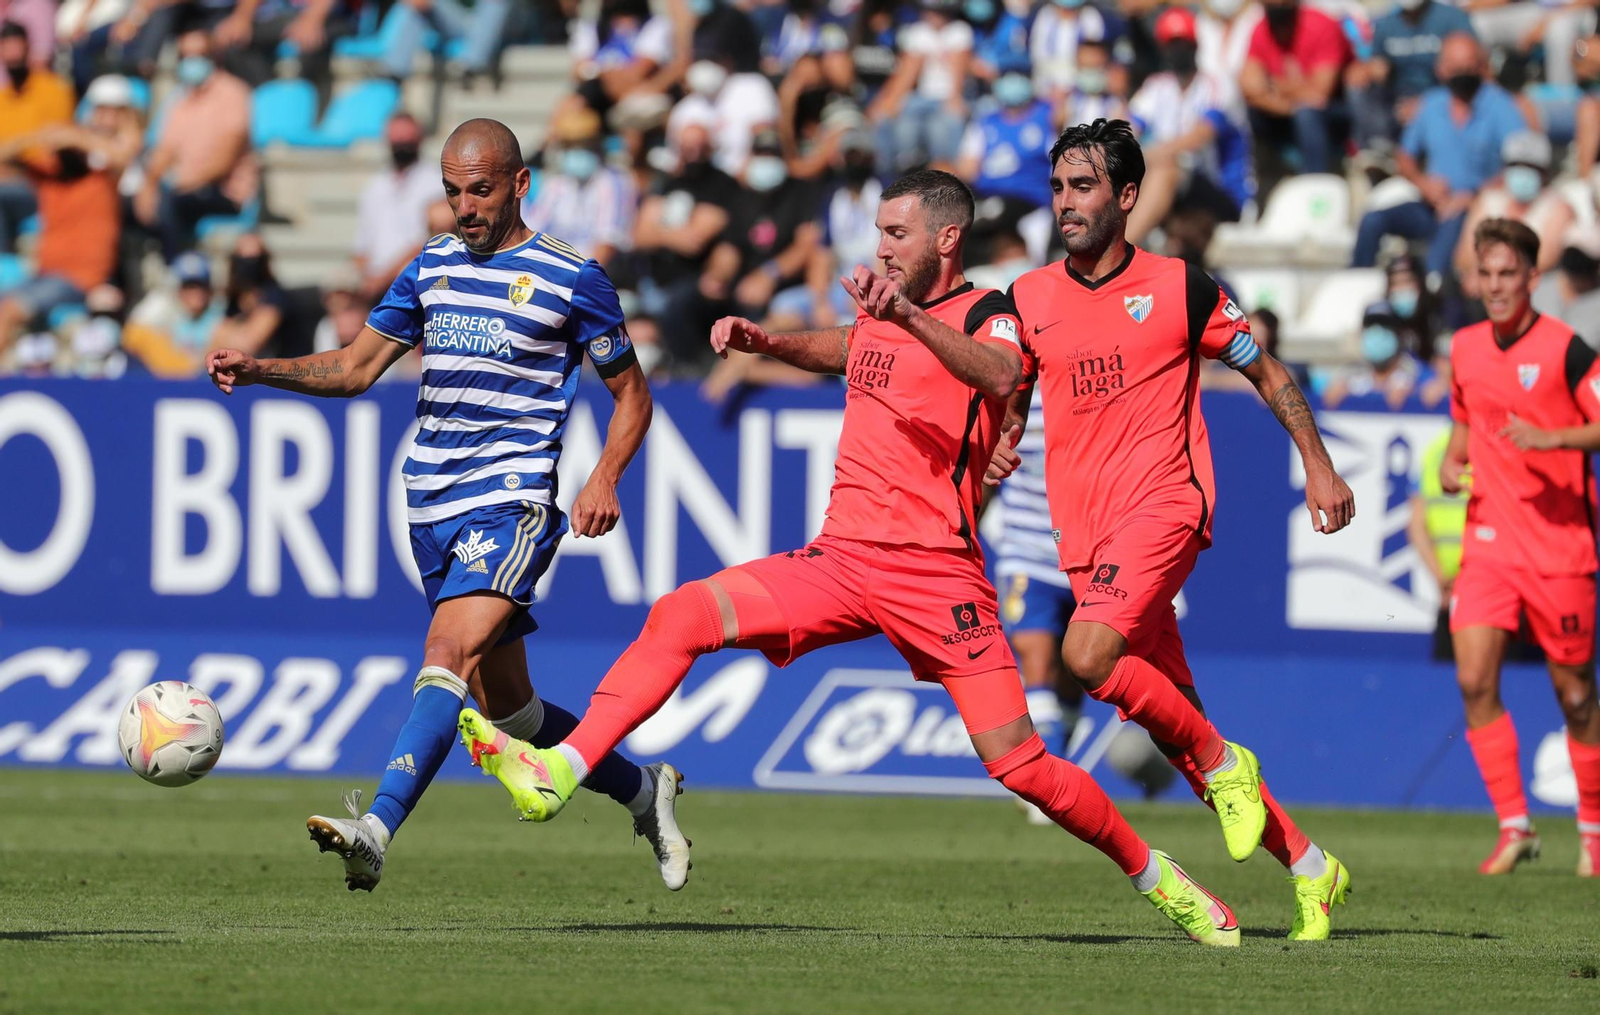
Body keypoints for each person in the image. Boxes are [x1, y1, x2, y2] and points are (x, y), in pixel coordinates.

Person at [454, 169, 1248, 947]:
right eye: (879, 232)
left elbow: (1003, 373)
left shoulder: (991, 310)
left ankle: (1160, 877)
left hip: (937, 577)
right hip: (839, 561)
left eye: (896, 233)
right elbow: (848, 348)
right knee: (684, 612)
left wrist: (903, 312)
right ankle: (564, 767)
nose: (882, 246)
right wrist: (768, 341)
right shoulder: (879, 311)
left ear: (947, 237)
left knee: (1023, 765)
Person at [202, 118, 689, 895]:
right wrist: (262, 368)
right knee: (512, 713)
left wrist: (604, 478)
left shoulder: (573, 277)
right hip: (430, 507)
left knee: (445, 653)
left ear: (520, 185)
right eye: (453, 191)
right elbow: (357, 367)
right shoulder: (430, 267)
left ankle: (377, 827)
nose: (464, 207)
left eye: (481, 190)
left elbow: (633, 395)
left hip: (512, 500)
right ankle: (642, 790)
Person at [996, 118, 1356, 940]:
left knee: (1087, 657)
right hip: (1083, 541)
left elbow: (1264, 369)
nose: (1065, 203)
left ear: (1127, 197)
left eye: (1082, 187)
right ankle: (1310, 866)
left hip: (1166, 506)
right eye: (1057, 188)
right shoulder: (1029, 297)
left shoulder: (1181, 286)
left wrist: (1319, 464)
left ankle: (1234, 766)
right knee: (1184, 733)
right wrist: (1002, 439)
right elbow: (1011, 392)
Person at [1438, 217, 1600, 878]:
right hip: (1488, 544)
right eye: (1488, 274)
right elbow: (1462, 423)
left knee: (1576, 696)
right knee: (1475, 677)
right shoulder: (1466, 346)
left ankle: (1592, 830)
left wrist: (1553, 439)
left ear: (1533, 278)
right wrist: (1452, 464)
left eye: (1510, 275)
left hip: (1561, 548)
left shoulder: (1568, 349)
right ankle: (1516, 825)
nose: (1497, 286)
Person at [1351, 33, 1524, 280]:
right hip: (1431, 205)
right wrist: (1424, 184)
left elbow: (1519, 165)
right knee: (1373, 221)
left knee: (1444, 243)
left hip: (1474, 210)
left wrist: (1474, 195)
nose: (1462, 73)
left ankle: (1431, 292)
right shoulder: (1431, 105)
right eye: (1455, 67)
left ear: (1481, 66)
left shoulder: (1501, 106)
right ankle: (1355, 287)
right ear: (1441, 69)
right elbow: (1404, 157)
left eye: (1469, 67)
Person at [1127, 6, 1255, 242]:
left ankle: (1117, 253)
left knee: (1166, 167)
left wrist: (1143, 156)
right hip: (1176, 190)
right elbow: (1128, 128)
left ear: (1196, 45)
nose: (1178, 51)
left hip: (1222, 192)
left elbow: (1198, 137)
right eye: (1172, 44)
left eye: (1183, 43)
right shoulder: (1156, 87)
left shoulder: (1218, 85)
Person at [133, 24, 257, 261]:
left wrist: (178, 184)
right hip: (185, 188)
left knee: (170, 202)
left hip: (223, 192)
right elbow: (165, 150)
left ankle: (177, 269)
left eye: (198, 55)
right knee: (128, 206)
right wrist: (148, 185)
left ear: (214, 57)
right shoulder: (179, 99)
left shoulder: (234, 93)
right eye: (185, 56)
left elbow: (225, 157)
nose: (191, 62)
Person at [1240, 0, 1353, 175]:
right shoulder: (1260, 29)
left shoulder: (1321, 24)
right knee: (1253, 112)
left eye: (1283, 4)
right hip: (1288, 111)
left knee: (1306, 114)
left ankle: (1316, 180)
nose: (1277, 7)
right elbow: (1250, 87)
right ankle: (1267, 181)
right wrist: (1293, 98)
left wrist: (1272, 84)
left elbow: (1319, 94)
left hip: (1336, 113)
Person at [522, 107, 636, 270]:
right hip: (556, 274)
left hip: (596, 278)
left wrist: (573, 281)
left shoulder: (614, 181)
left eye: (583, 145)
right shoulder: (557, 184)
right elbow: (534, 231)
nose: (577, 152)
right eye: (570, 146)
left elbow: (608, 243)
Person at [1453, 130, 1574, 282]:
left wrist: (1494, 274)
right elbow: (1464, 257)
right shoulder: (1488, 201)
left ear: (1543, 172)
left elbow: (1545, 260)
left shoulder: (1558, 207)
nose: (1522, 172)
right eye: (1516, 165)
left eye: (1530, 166)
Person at [0, 20, 72, 253]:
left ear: (28, 47)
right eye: (6, 48)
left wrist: (15, 152)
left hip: (42, 183)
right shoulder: (3, 99)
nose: (11, 55)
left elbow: (55, 146)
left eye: (16, 47)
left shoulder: (53, 89)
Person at [1358, 0, 1475, 145]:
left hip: (1443, 97)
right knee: (1358, 85)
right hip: (1399, 101)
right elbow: (1375, 65)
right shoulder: (1386, 23)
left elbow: (1471, 68)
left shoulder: (1452, 19)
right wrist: (1371, 71)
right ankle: (1379, 148)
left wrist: (1428, 105)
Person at [353, 113, 442, 302]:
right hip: (374, 281)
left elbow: (425, 243)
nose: (401, 144)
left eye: (407, 139)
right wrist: (362, 279)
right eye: (396, 139)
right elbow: (362, 246)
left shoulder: (434, 181)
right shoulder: (376, 184)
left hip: (414, 278)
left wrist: (382, 279)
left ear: (419, 139)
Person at [1406, 427, 1468, 661]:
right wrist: (1442, 579)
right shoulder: (1434, 453)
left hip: (1481, 590)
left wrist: (1443, 579)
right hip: (1454, 594)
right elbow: (1416, 524)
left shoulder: (1434, 451)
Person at [1319, 301, 1423, 409]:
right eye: (1370, 326)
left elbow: (1432, 387)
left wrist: (1415, 394)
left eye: (1385, 326)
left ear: (1399, 334)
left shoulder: (1415, 373)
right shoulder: (1351, 377)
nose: (1377, 333)